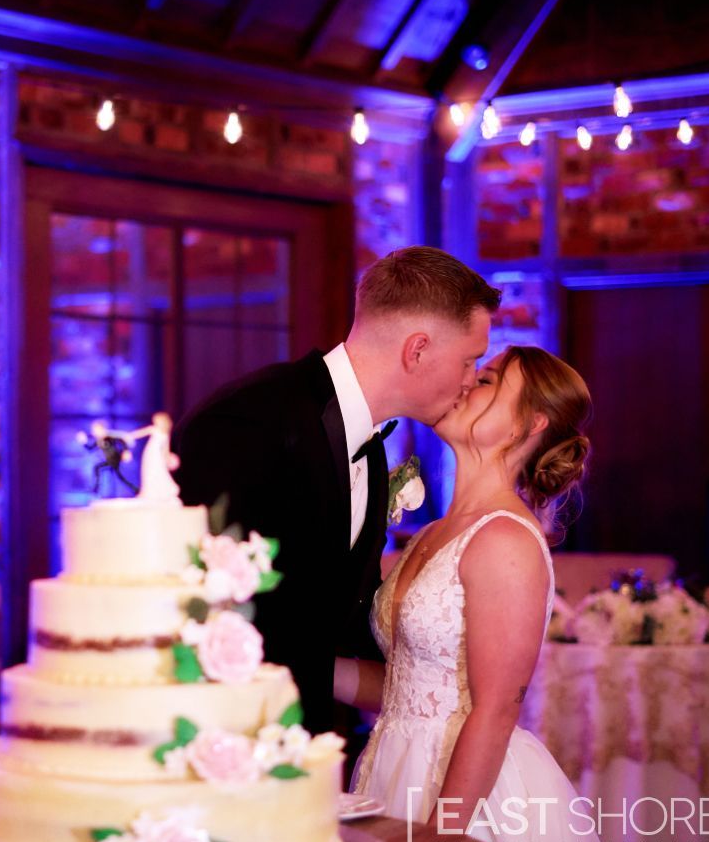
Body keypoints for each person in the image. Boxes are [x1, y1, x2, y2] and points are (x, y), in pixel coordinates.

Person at [336, 345, 621, 842]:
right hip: (393, 771)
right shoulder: (436, 531)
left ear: (531, 422)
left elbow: (494, 710)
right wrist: (285, 661)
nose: (467, 384)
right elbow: (406, 686)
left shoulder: (507, 541)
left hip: (468, 796)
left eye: (488, 380)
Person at [172, 246, 499, 735]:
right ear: (417, 349)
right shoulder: (249, 422)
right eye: (470, 361)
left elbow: (331, 614)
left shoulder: (372, 450)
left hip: (316, 744)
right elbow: (205, 606)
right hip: (228, 740)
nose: (471, 382)